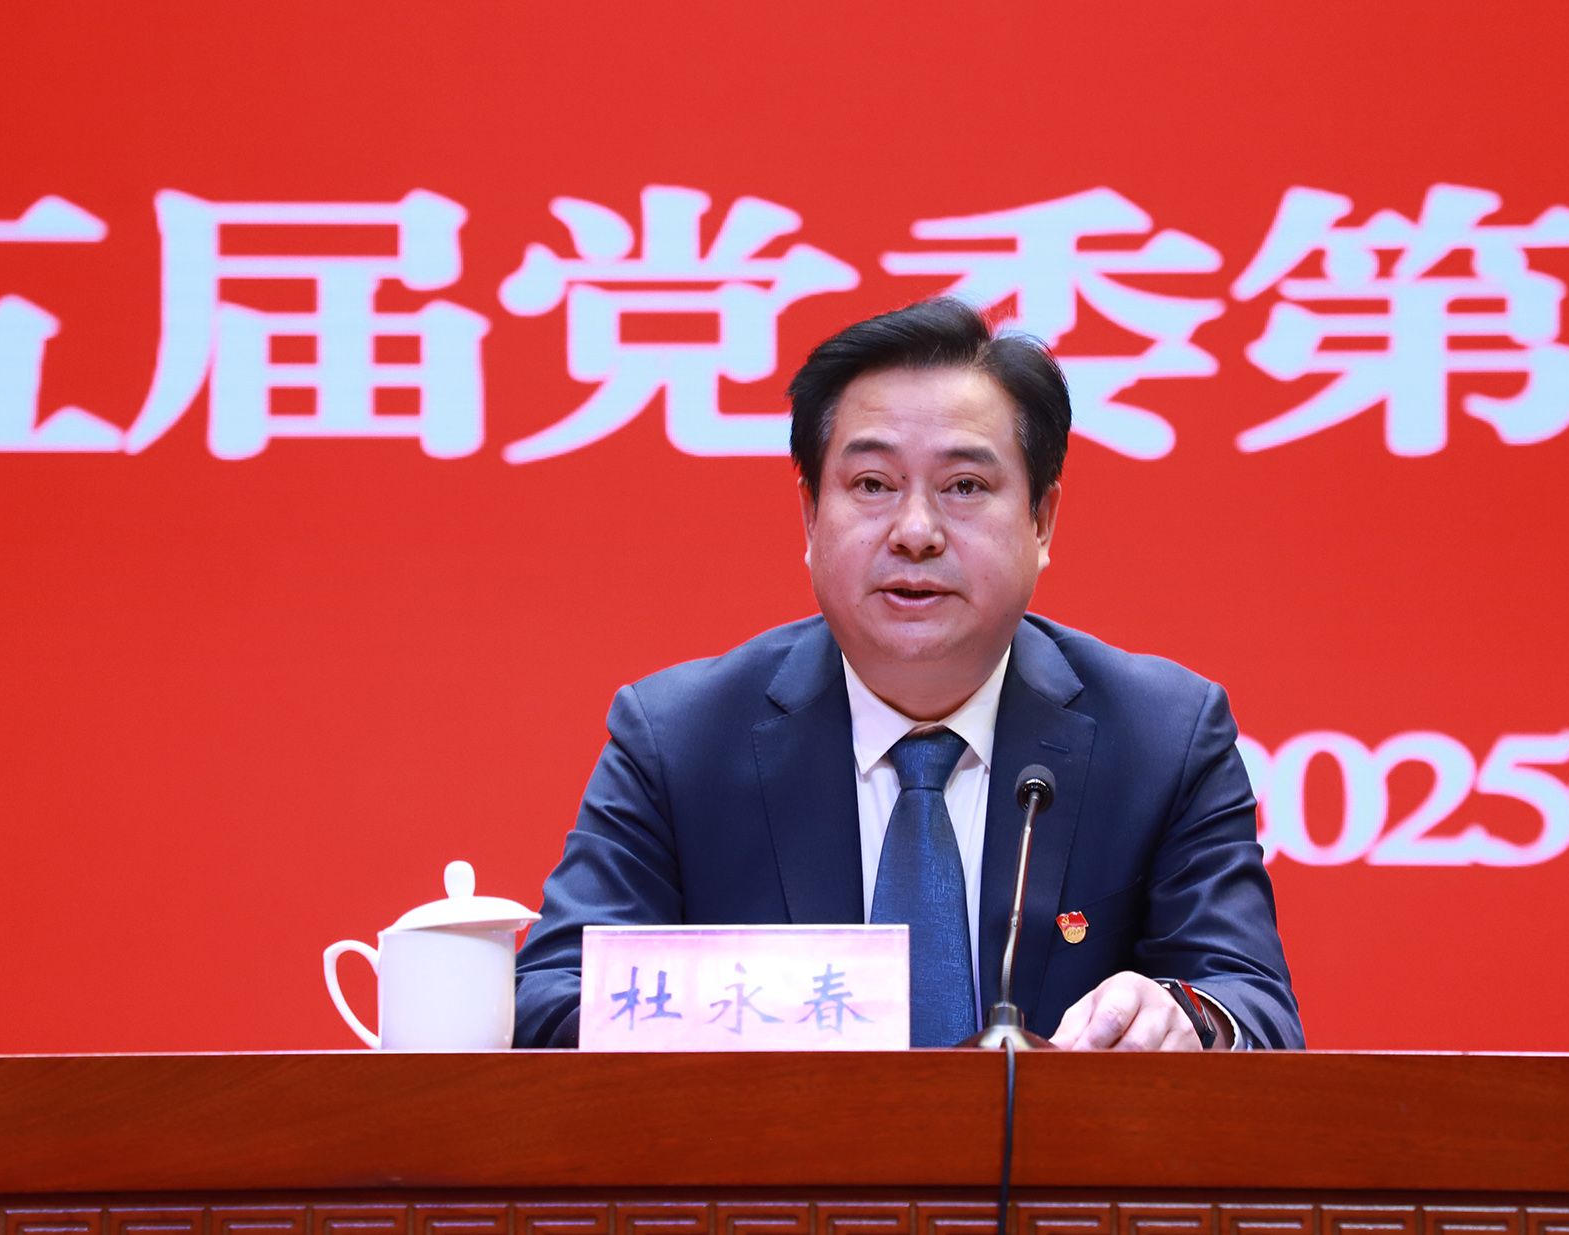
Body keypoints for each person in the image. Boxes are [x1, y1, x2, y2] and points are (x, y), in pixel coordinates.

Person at [514, 297, 1302, 1051]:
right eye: (872, 485)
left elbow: (1253, 1006)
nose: (916, 531)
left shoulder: (1163, 740)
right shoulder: (680, 742)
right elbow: (546, 999)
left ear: (1042, 521)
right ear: (810, 516)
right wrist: (758, 1013)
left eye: (965, 487)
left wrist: (1187, 1016)